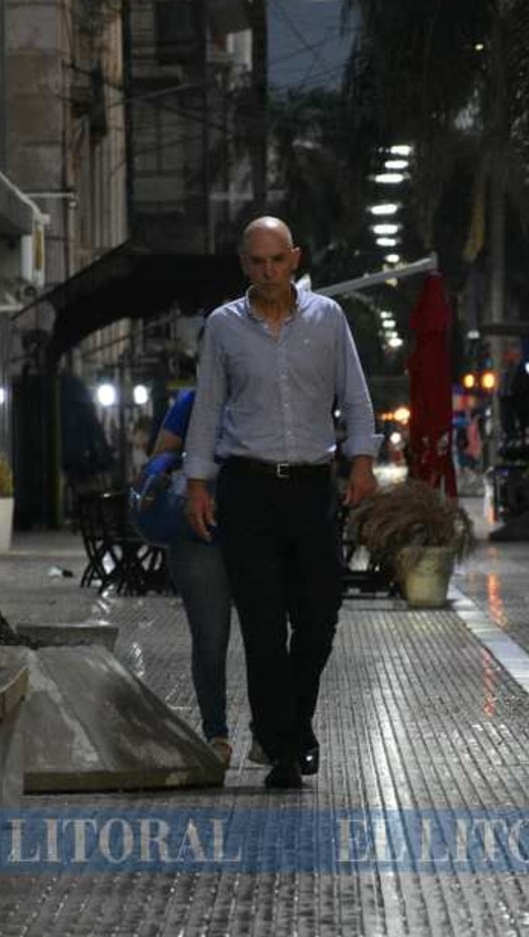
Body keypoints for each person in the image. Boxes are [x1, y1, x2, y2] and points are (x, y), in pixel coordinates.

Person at [183, 216, 379, 790]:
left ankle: (292, 724)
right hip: (247, 488)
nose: (267, 273)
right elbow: (208, 406)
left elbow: (356, 397)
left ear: (294, 258)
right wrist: (198, 482)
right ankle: (286, 749)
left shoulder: (328, 319)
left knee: (318, 619)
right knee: (264, 628)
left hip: (312, 488)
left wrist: (362, 462)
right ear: (243, 264)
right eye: (255, 263)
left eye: (276, 260)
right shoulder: (223, 326)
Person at [149, 385, 236, 765]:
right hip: (198, 532)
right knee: (210, 638)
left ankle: (257, 733)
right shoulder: (193, 401)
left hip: (250, 529)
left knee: (254, 636)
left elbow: (160, 454)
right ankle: (216, 731)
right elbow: (161, 460)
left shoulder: (267, 395)